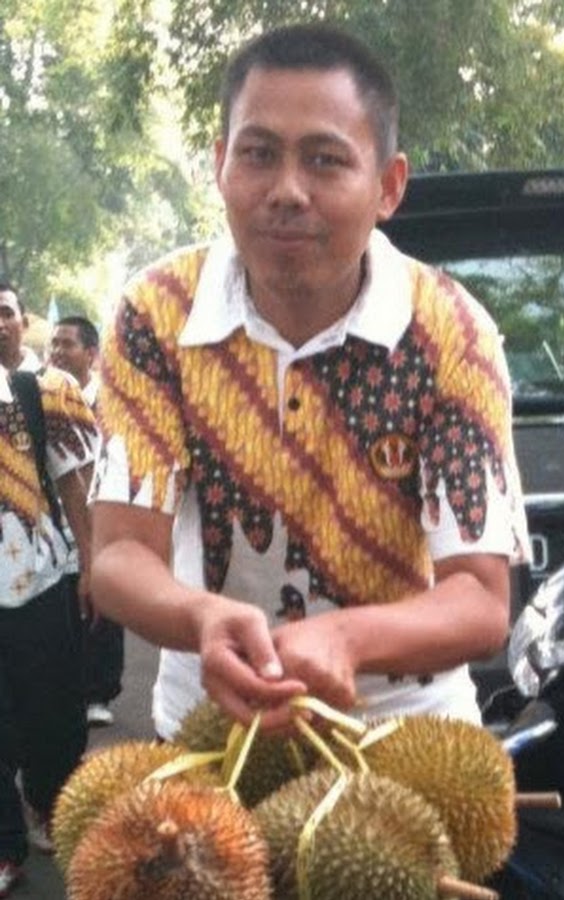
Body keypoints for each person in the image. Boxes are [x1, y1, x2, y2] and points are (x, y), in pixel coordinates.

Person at [89, 23, 530, 744]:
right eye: (258, 154)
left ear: (388, 187)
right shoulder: (157, 313)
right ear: (220, 164)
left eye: (325, 160)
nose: (287, 191)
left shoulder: (451, 331)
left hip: (401, 736)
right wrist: (201, 618)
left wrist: (346, 639)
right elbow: (117, 555)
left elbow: (480, 599)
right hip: (213, 729)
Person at [0, 283, 96, 897]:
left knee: (52, 716)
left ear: (21, 321)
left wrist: (93, 564)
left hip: (40, 582)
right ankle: (6, 847)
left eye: (4, 312)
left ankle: (47, 798)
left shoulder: (48, 390)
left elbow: (74, 485)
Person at [50, 316, 124, 727]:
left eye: (68, 344)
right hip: (60, 521)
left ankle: (99, 692)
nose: (58, 352)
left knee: (104, 600)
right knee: (69, 603)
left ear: (92, 354)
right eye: (55, 344)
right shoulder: (43, 395)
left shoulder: (113, 403)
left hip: (108, 511)